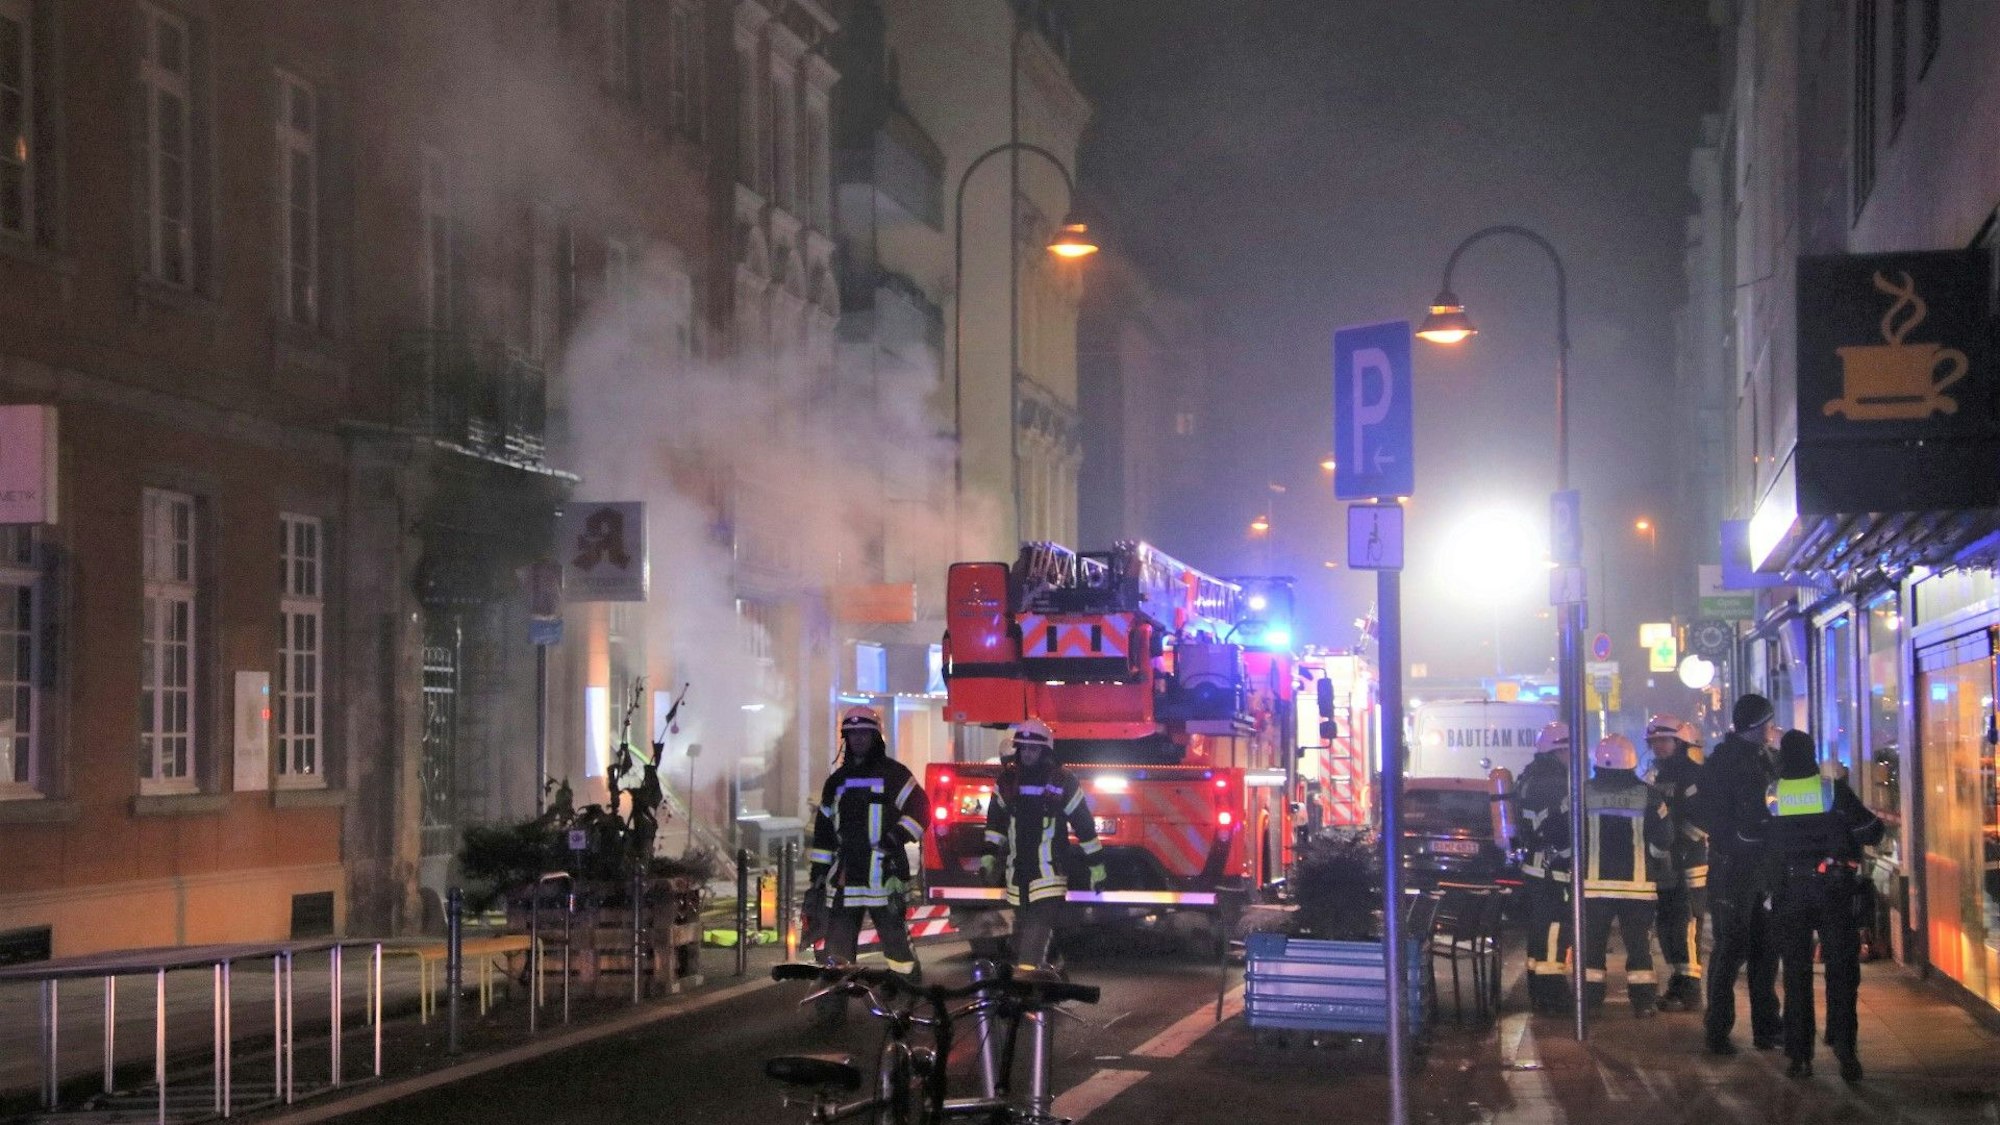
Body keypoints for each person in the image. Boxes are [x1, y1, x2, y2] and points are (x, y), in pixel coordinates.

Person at [1766, 730, 1884, 1081]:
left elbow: (1761, 841)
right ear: (1813, 754)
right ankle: (1846, 1052)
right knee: (1842, 973)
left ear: (1782, 759)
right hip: (1834, 891)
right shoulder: (1833, 791)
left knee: (1797, 975)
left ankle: (1800, 1056)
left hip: (1790, 892)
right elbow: (1872, 831)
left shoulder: (1773, 794)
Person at [1546, 733, 1671, 1015]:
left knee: (1591, 949)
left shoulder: (1580, 793)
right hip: (1638, 889)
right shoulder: (1650, 796)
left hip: (1592, 888)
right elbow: (1664, 840)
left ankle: (1589, 1004)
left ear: (1598, 763)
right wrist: (1652, 862)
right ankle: (1644, 1003)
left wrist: (1568, 861)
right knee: (1639, 948)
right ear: (1631, 762)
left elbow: (1559, 834)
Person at [809, 705, 929, 990]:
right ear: (845, 739)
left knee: (896, 946)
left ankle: (907, 994)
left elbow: (921, 810)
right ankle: (832, 1008)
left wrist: (895, 838)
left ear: (875, 737)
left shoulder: (895, 775)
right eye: (852, 734)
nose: (858, 739)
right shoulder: (836, 782)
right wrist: (817, 875)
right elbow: (824, 833)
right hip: (845, 879)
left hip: (882, 877)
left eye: (864, 733)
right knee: (836, 954)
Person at [1695, 693, 1783, 1055]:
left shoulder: (1764, 759)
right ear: (1758, 725)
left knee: (1765, 948)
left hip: (1761, 869)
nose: (1771, 729)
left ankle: (1767, 1027)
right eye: (1768, 723)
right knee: (1731, 948)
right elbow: (1711, 816)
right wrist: (1738, 837)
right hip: (1734, 869)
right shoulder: (1724, 764)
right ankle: (1718, 1029)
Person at [980, 720, 1107, 969]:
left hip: (1049, 874)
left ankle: (1027, 990)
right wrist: (989, 857)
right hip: (1018, 876)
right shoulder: (1007, 781)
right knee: (1024, 938)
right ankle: (1051, 972)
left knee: (1033, 938)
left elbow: (1083, 825)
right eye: (1023, 748)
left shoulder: (1062, 781)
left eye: (1033, 749)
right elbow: (995, 824)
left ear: (1045, 751)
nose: (1027, 753)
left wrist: (1097, 866)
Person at [1644, 714, 1709, 1011]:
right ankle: (1677, 982)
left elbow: (1703, 819)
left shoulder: (1695, 775)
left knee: (1686, 926)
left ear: (1679, 742)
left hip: (1689, 864)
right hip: (1663, 865)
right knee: (1668, 926)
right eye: (1654, 741)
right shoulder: (1654, 776)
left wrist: (1677, 843)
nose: (1658, 746)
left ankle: (1691, 988)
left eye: (1664, 741)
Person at [1515, 721, 1575, 1015]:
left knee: (1540, 930)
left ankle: (1539, 988)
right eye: (1568, 750)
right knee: (1554, 927)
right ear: (1559, 750)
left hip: (1535, 864)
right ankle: (1553, 994)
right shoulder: (1554, 782)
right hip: (1552, 867)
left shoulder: (1530, 777)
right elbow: (1556, 826)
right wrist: (1569, 854)